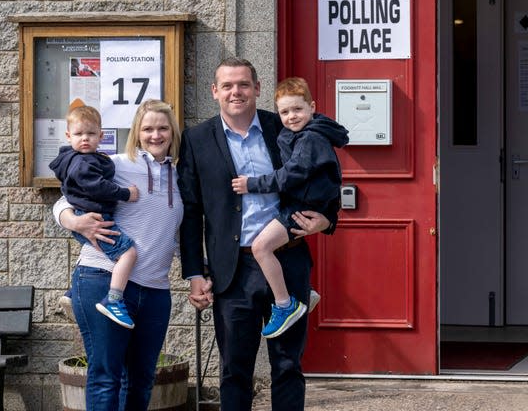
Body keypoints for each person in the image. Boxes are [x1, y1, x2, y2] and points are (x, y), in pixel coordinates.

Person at [177, 57, 334, 411]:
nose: (237, 92)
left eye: (244, 85)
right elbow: (190, 212)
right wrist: (193, 274)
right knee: (234, 369)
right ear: (215, 92)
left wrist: (326, 218)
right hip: (233, 272)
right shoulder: (197, 139)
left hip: (287, 260)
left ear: (257, 89)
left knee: (288, 366)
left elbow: (323, 174)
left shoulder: (283, 127)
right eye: (228, 86)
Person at [52, 99, 183, 410]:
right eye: (148, 128)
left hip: (155, 291)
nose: (155, 135)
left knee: (141, 381)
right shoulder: (115, 164)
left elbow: (174, 233)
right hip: (102, 279)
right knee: (106, 376)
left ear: (173, 132)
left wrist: (198, 272)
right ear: (137, 132)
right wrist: (75, 222)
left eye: (162, 128)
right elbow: (63, 201)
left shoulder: (180, 177)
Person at [231, 77, 348, 338]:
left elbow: (291, 174)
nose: (291, 116)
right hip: (298, 204)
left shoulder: (310, 139)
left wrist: (253, 184)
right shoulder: (297, 134)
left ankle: (285, 305)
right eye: (284, 112)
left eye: (297, 109)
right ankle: (304, 295)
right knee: (267, 247)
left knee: (261, 247)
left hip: (300, 209)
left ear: (312, 107)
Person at [49, 105, 139, 329]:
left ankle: (72, 293)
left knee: (107, 252)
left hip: (90, 216)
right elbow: (98, 187)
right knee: (127, 253)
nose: (85, 139)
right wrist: (125, 194)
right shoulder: (82, 163)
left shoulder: (84, 159)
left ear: (101, 135)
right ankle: (114, 300)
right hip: (93, 219)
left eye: (90, 134)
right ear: (68, 136)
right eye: (79, 134)